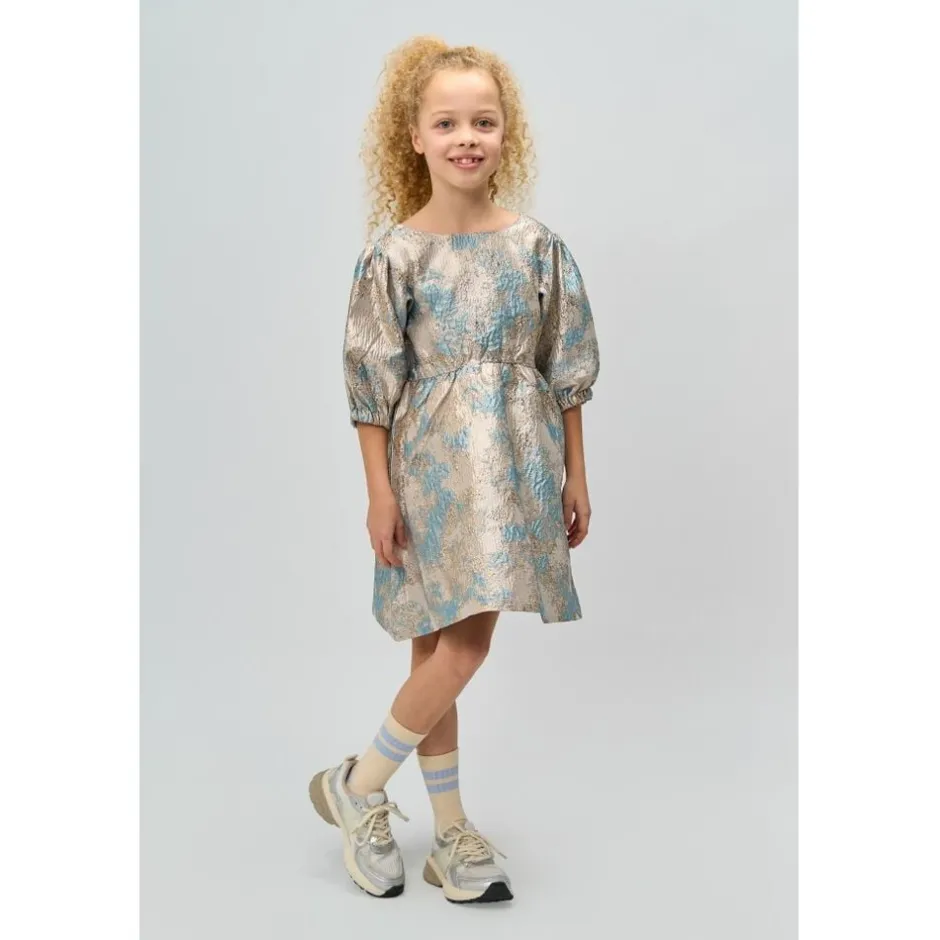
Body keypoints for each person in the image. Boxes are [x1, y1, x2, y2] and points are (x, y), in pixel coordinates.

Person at [309, 36, 600, 904]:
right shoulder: (394, 254)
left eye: (483, 121)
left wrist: (576, 474)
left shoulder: (539, 248)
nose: (466, 137)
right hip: (428, 469)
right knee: (451, 643)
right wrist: (378, 493)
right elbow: (370, 384)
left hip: (514, 467)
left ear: (507, 133)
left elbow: (566, 364)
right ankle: (365, 789)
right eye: (446, 123)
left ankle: (437, 829)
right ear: (414, 137)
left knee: (447, 649)